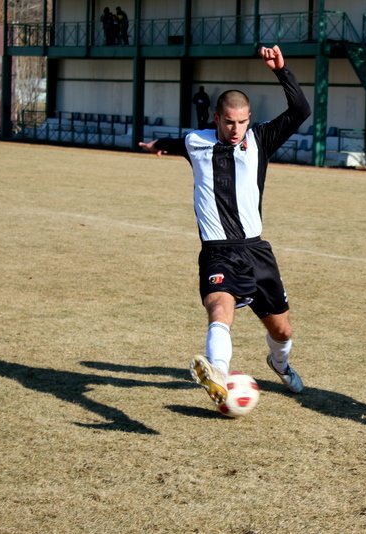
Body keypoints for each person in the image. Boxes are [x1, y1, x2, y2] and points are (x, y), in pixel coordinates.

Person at [139, 46, 311, 405]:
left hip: (257, 251)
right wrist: (159, 144)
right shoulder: (195, 141)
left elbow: (301, 111)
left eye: (243, 121)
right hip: (218, 251)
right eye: (230, 122)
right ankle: (217, 373)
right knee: (220, 307)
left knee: (282, 329)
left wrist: (282, 71)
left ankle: (280, 364)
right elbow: (177, 143)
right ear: (216, 118)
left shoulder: (260, 140)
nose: (236, 130)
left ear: (250, 119)